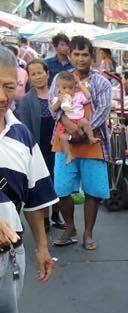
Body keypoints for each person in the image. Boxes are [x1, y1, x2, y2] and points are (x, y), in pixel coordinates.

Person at [0, 47, 56, 313]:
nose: (1, 96)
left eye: (8, 86)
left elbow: (35, 198)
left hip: (9, 255)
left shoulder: (22, 136)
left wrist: (42, 247)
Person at [49, 36, 112, 251]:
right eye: (76, 54)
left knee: (93, 191)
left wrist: (83, 132)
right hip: (65, 142)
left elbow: (103, 110)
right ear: (70, 55)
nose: (80, 59)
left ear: (92, 56)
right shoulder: (60, 78)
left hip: (92, 142)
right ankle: (70, 228)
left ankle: (88, 233)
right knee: (61, 188)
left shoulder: (101, 82)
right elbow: (53, 106)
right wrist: (69, 126)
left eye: (85, 54)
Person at [15, 58, 65, 230]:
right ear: (28, 77)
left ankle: (56, 215)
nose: (37, 76)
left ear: (47, 73)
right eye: (33, 74)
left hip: (59, 144)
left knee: (58, 180)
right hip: (39, 146)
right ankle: (44, 219)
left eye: (40, 72)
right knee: (42, 183)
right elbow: (25, 128)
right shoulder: (26, 101)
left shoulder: (58, 95)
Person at [51, 71, 99, 163]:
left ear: (74, 87)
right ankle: (69, 154)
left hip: (79, 121)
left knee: (85, 122)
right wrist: (59, 102)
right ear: (58, 88)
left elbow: (88, 96)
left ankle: (90, 137)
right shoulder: (58, 98)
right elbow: (53, 109)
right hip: (68, 125)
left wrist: (80, 84)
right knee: (63, 137)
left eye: (71, 88)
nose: (67, 90)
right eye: (64, 88)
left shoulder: (78, 96)